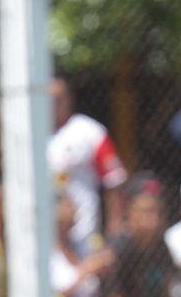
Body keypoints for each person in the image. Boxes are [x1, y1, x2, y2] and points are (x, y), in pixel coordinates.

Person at [48, 75, 128, 256]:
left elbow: (114, 180)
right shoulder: (32, 134)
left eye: (58, 99)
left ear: (69, 99)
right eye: (48, 99)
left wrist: (114, 228)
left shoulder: (90, 131)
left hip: (84, 231)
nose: (53, 104)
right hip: (44, 233)